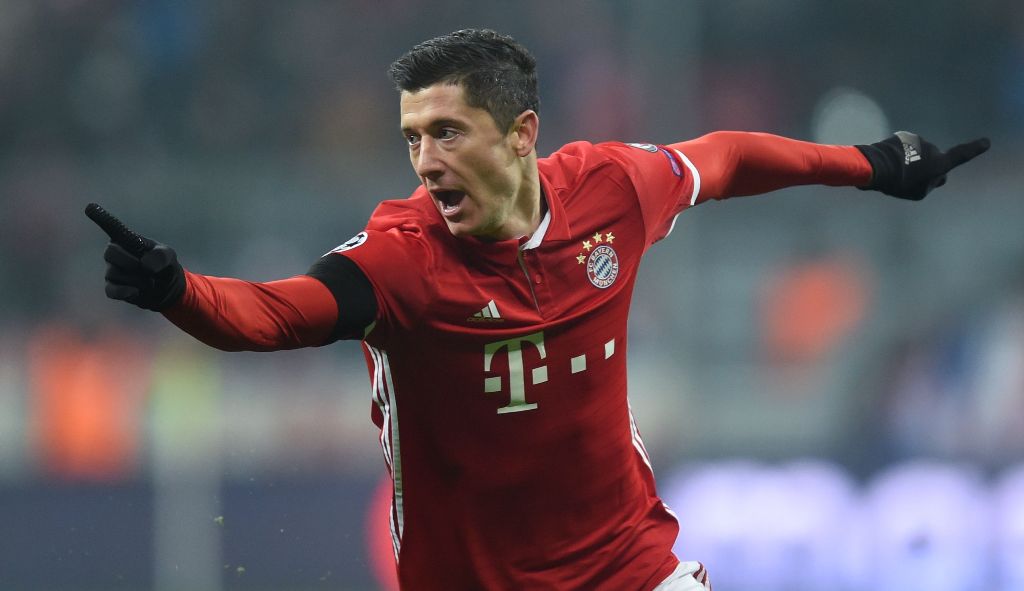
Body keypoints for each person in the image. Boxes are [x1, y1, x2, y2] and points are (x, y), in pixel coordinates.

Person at [88, 28, 989, 591]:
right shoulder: (401, 262)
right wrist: (178, 293)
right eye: (412, 138)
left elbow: (724, 156)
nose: (425, 162)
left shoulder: (612, 189)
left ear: (521, 134)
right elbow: (276, 315)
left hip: (625, 564)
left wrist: (870, 166)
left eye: (448, 132)